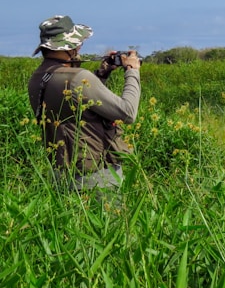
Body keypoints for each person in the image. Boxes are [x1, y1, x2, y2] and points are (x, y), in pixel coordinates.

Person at [28, 15, 141, 191]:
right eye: (77, 42)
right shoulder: (78, 77)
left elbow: (75, 105)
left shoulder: (37, 78)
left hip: (60, 175)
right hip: (96, 178)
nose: (80, 45)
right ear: (68, 46)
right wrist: (132, 71)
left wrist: (101, 75)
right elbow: (128, 113)